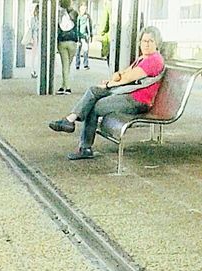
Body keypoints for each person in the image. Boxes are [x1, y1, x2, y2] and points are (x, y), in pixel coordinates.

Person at [49, 25, 165, 159]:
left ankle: (83, 144)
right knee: (93, 90)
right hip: (128, 94)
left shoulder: (154, 60)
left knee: (95, 106)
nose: (147, 44)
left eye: (151, 41)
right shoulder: (143, 58)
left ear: (157, 43)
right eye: (144, 41)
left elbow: (128, 78)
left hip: (137, 101)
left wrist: (109, 84)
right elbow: (122, 74)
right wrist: (115, 78)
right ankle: (70, 121)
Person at [56, 0, 78, 93]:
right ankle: (64, 86)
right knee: (68, 65)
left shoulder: (58, 13)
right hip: (72, 42)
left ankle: (66, 87)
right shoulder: (75, 13)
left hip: (62, 42)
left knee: (65, 65)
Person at [75, 1, 92, 69]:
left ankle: (85, 64)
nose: (84, 10)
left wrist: (91, 35)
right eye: (82, 9)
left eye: (85, 9)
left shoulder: (88, 17)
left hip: (86, 36)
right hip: (80, 36)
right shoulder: (79, 17)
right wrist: (77, 37)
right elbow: (77, 27)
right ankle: (77, 64)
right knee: (78, 51)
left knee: (86, 51)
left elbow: (89, 26)